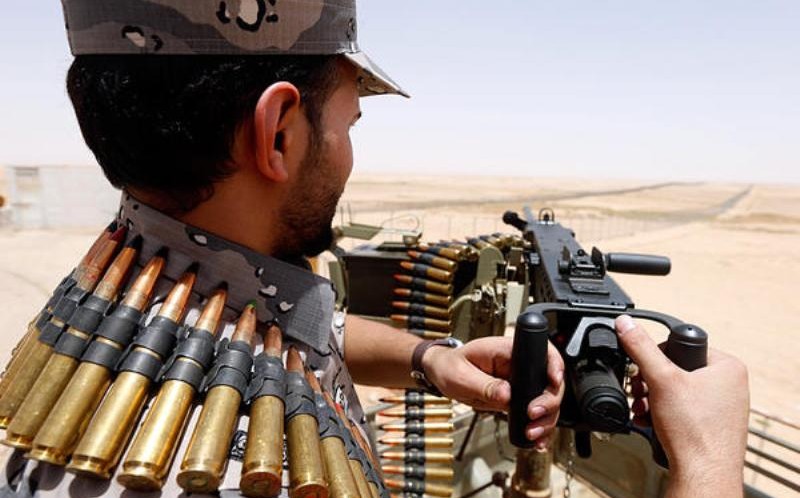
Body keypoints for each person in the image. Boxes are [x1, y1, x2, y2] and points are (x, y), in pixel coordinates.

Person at [0, 1, 748, 496]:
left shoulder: (145, 269)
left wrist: (429, 360)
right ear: (279, 133)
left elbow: (270, 335)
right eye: (349, 121)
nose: (352, 149)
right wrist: (709, 467)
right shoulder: (227, 471)